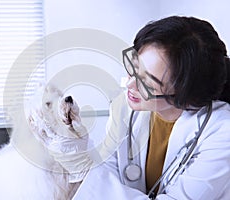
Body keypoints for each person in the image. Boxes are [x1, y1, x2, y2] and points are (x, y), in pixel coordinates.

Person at [48, 16, 230, 199]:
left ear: (186, 96)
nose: (129, 85)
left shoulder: (221, 133)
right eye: (134, 66)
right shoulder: (126, 108)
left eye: (147, 82)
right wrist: (80, 154)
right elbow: (111, 168)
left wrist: (85, 173)